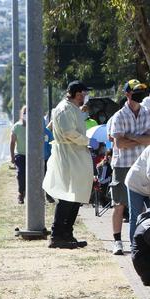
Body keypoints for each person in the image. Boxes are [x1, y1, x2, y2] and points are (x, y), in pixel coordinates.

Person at [43, 80, 98, 248]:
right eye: (84, 94)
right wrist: (88, 140)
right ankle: (57, 234)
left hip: (76, 155)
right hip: (68, 155)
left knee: (76, 195)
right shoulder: (64, 108)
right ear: (77, 94)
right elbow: (68, 132)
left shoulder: (72, 108)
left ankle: (67, 233)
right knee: (67, 195)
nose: (85, 97)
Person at [108, 79, 150, 255]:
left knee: (147, 206)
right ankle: (117, 241)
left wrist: (132, 136)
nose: (139, 95)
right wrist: (142, 138)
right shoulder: (119, 116)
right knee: (120, 204)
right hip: (123, 165)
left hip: (144, 165)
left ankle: (144, 240)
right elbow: (120, 143)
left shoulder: (149, 113)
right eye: (135, 92)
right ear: (127, 94)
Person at [10, 105, 27, 204]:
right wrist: (12, 157)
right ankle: (21, 193)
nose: (26, 115)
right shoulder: (17, 126)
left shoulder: (35, 126)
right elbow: (12, 142)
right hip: (20, 155)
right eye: (24, 113)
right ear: (21, 114)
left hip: (33, 156)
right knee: (21, 174)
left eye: (28, 113)